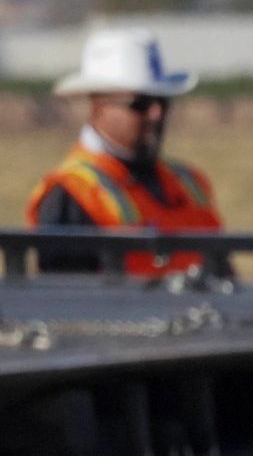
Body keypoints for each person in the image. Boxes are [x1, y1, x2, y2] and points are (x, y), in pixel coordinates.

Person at [21, 26, 224, 280]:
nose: (156, 114)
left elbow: (225, 279)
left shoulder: (191, 183)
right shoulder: (71, 194)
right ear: (97, 107)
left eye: (162, 101)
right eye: (139, 104)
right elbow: (69, 307)